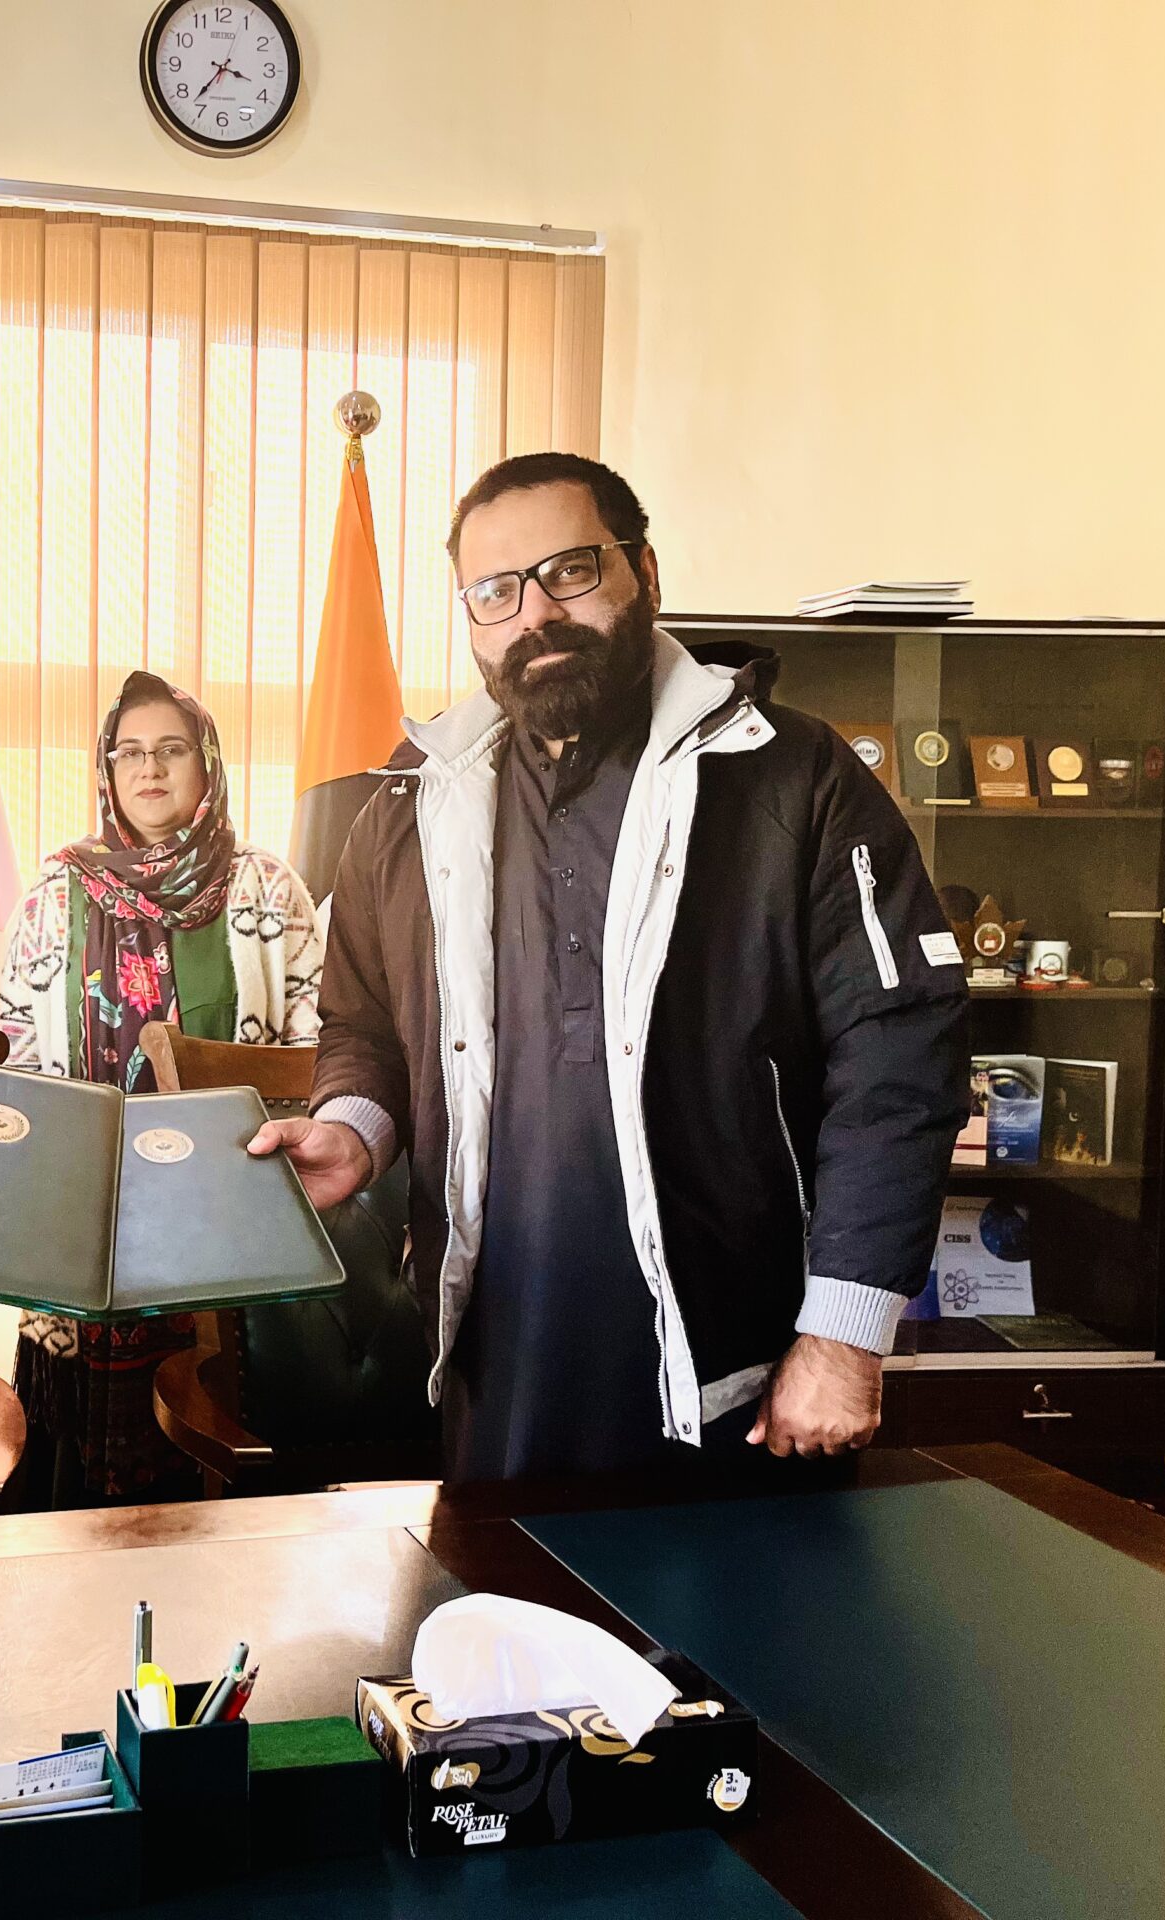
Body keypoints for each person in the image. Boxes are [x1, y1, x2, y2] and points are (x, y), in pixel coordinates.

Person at [251, 451, 969, 1484]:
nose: (534, 614)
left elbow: (898, 1053)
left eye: (569, 571)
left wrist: (846, 1332)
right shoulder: (407, 809)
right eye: (494, 593)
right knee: (511, 1621)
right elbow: (362, 1019)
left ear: (643, 572)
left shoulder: (792, 778)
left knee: (730, 1641)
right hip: (501, 1360)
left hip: (733, 1368)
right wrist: (353, 1128)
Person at [0, 670, 323, 1505]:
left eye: (171, 750)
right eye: (129, 752)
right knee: (77, 1491)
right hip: (86, 1214)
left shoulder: (266, 886)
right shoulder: (55, 894)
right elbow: (19, 1051)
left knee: (224, 1425)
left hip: (230, 1210)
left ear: (207, 765)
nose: (149, 769)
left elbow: (317, 1043)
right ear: (105, 771)